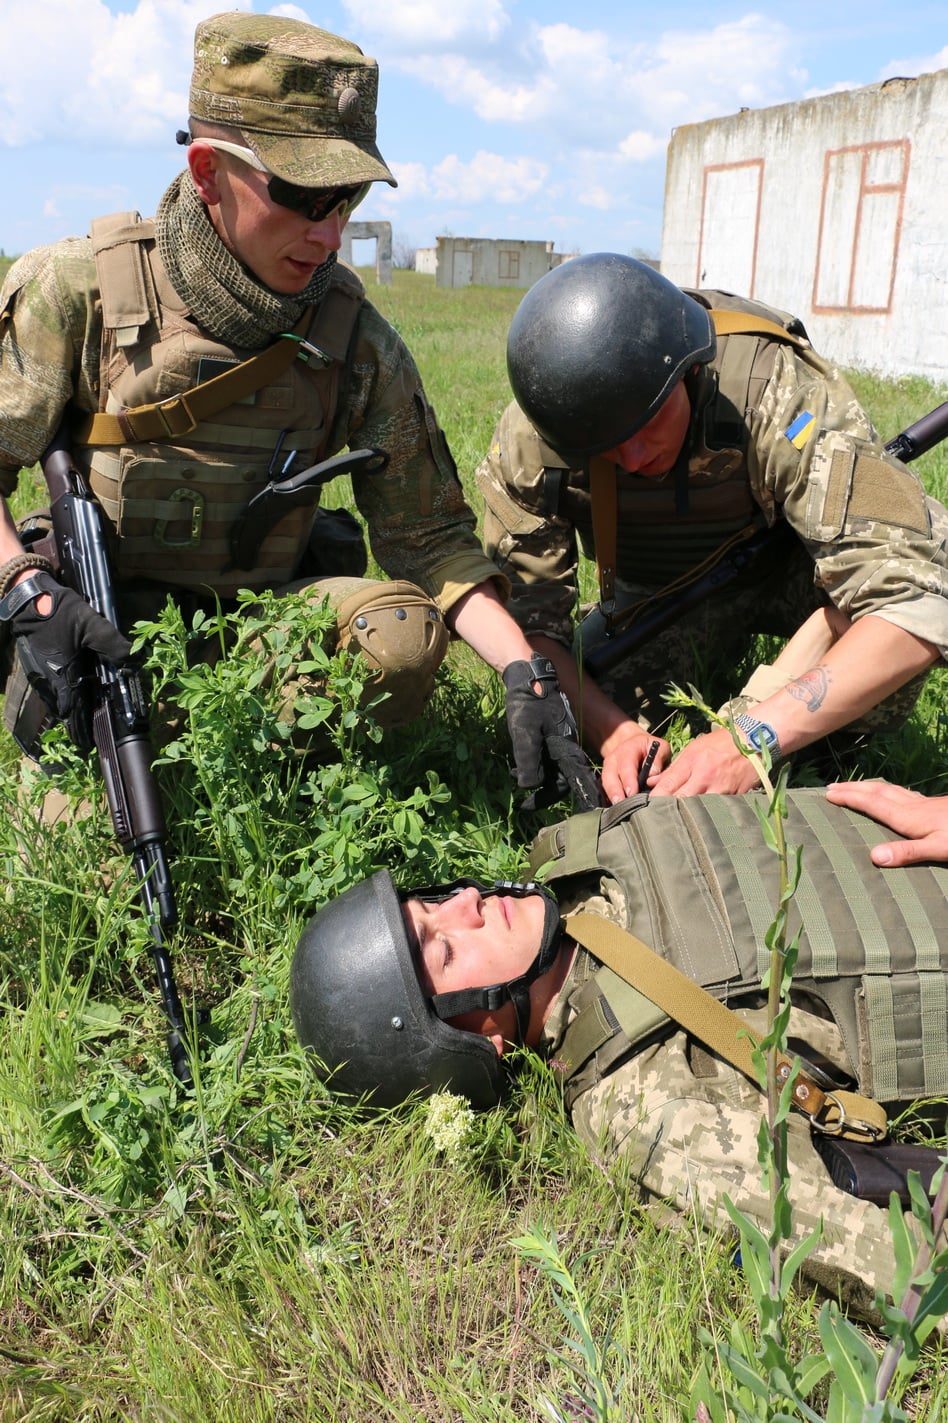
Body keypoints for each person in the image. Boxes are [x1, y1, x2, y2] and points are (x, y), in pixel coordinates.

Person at [0, 12, 594, 810]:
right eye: (305, 196)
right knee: (86, 840)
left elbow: (429, 536)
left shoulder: (352, 337)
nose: (331, 232)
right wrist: (25, 590)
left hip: (260, 630)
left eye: (347, 197)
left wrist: (525, 670)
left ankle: (275, 778)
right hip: (98, 637)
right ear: (207, 171)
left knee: (400, 632)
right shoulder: (81, 292)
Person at [290, 786, 948, 1321]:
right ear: (472, 1042)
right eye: (447, 949)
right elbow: (906, 1269)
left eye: (431, 904)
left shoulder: (582, 857)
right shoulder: (639, 1107)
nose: (467, 902)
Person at [476, 252, 948, 803]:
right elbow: (533, 631)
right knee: (557, 711)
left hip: (799, 571)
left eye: (647, 422)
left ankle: (825, 745)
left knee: (897, 606)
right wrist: (615, 734)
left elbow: (912, 597)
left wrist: (750, 739)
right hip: (663, 595)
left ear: (690, 372)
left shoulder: (771, 387)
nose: (633, 458)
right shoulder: (540, 437)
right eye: (606, 446)